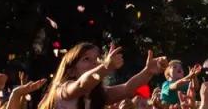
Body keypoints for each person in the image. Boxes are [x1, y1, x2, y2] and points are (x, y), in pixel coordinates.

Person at [36, 44, 164, 109]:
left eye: (97, 59)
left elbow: (127, 89)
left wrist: (148, 71)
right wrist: (106, 67)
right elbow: (82, 84)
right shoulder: (63, 90)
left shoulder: (99, 95)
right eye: (86, 59)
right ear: (71, 72)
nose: (94, 63)